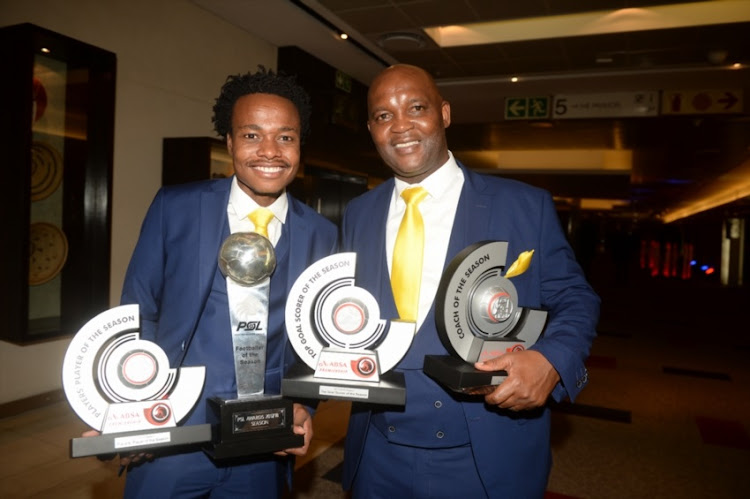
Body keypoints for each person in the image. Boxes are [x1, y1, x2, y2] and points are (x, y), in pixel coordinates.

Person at [340, 64, 600, 498]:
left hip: (484, 455)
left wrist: (552, 359)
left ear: (444, 114)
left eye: (416, 108)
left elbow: (574, 295)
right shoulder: (358, 212)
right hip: (377, 457)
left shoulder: (522, 205)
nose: (400, 125)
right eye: (384, 115)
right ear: (371, 128)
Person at [118, 67, 338, 497]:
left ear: (300, 146)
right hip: (173, 425)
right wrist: (130, 406)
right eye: (253, 135)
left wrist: (304, 404)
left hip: (262, 435)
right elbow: (138, 312)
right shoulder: (176, 207)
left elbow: (318, 338)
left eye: (286, 137)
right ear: (231, 142)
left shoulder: (321, 234)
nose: (270, 151)